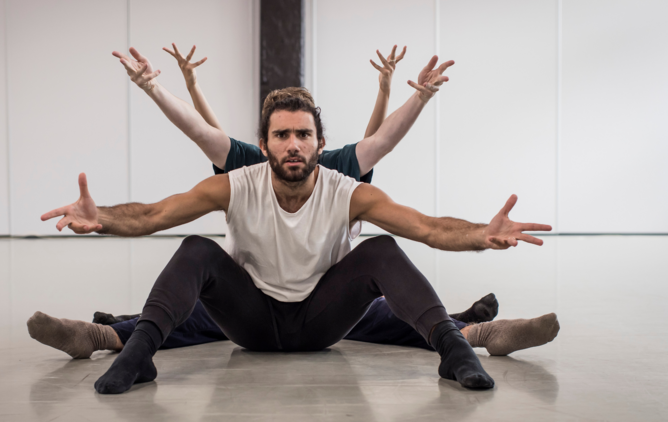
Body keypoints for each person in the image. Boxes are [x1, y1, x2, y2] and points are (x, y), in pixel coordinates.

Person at [40, 47, 553, 394]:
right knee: (196, 249)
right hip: (250, 318)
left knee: (380, 252)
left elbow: (426, 226)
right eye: (282, 135)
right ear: (262, 145)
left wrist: (481, 236)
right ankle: (133, 352)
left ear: (320, 145)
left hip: (322, 317)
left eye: (303, 135)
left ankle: (457, 344)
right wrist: (102, 215)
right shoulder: (236, 181)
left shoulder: (349, 188)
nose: (293, 144)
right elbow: (157, 213)